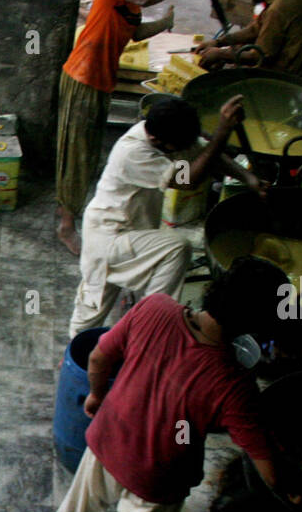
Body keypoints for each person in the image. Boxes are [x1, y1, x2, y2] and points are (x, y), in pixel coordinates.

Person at [41, 256, 302, 512]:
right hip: (157, 474)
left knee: (80, 503)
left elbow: (100, 355)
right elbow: (266, 467)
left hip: (109, 435)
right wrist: (291, 485)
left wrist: (97, 397)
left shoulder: (155, 307)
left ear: (217, 289)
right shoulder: (234, 384)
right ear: (257, 326)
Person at [70, 93, 266, 336]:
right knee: (97, 299)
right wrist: (222, 132)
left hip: (135, 232)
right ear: (155, 138)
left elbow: (209, 155)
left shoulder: (167, 135)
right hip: (108, 235)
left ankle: (144, 322)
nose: (188, 150)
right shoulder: (132, 152)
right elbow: (188, 179)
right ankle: (149, 321)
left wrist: (250, 179)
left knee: (135, 278)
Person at [56, 0, 216, 255]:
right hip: (83, 76)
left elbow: (135, 33)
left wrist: (164, 24)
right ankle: (67, 225)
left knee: (88, 152)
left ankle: (73, 211)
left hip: (101, 80)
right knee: (77, 155)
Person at [193, 0, 302, 76]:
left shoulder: (278, 9)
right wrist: (218, 42)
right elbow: (254, 29)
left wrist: (220, 54)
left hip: (284, 76)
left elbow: (259, 56)